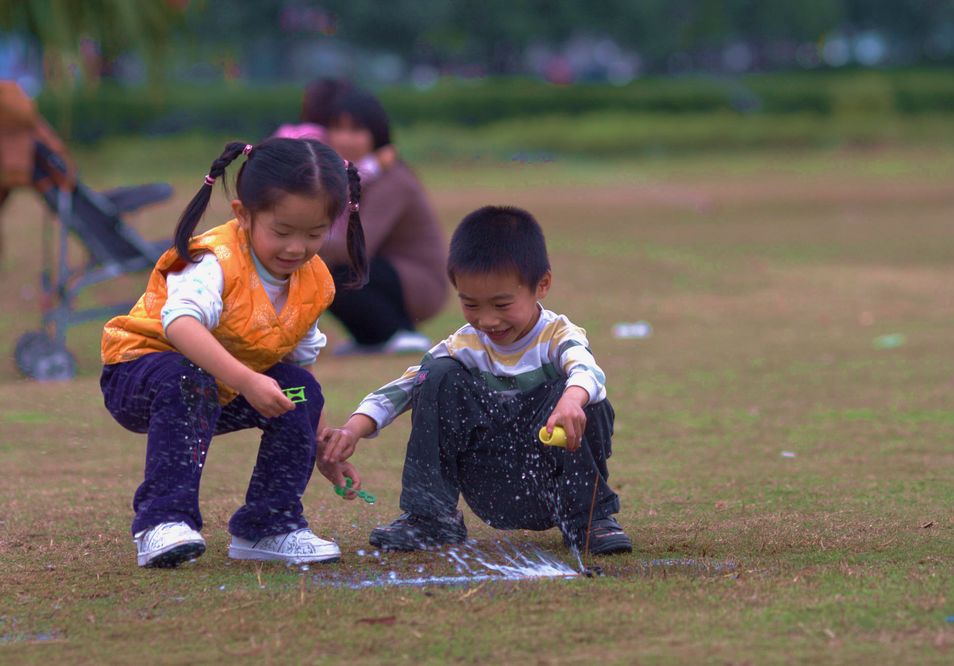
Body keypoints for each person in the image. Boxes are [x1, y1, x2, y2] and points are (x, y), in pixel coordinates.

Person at [100, 138, 368, 568]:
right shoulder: (215, 259)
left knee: (300, 390)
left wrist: (320, 444)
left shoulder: (313, 280)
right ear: (243, 214)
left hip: (220, 388)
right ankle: (162, 522)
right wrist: (246, 380)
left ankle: (268, 526)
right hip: (141, 376)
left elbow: (298, 364)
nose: (297, 248)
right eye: (282, 232)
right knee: (188, 377)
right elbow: (180, 325)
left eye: (314, 234)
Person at [321, 205, 632, 555]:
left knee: (585, 395)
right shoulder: (463, 345)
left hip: (554, 478)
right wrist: (352, 429)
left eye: (501, 305)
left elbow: (586, 369)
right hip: (493, 479)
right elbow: (404, 387)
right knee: (435, 375)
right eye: (471, 304)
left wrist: (571, 400)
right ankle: (431, 517)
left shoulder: (559, 335)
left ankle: (590, 519)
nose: (486, 320)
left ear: (542, 285)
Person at [319, 86, 448, 355]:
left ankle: (396, 332)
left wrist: (300, 242)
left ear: (376, 135)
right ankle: (369, 338)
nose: (344, 138)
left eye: (355, 130)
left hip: (417, 282)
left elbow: (354, 246)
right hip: (383, 272)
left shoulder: (392, 179)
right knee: (325, 274)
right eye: (337, 129)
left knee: (336, 274)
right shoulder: (354, 175)